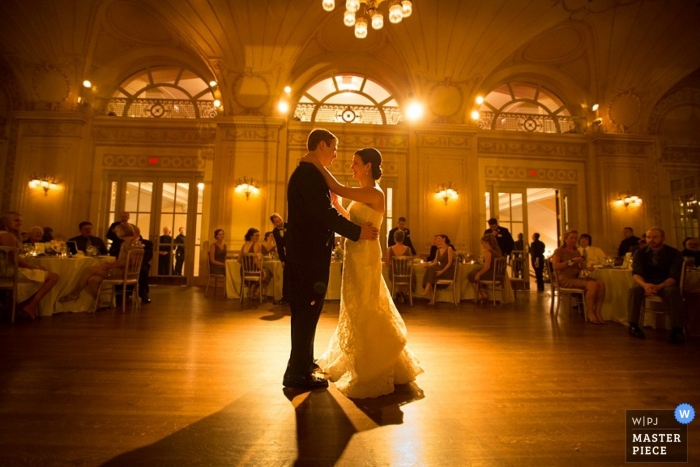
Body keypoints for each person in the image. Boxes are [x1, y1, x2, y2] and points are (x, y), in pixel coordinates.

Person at [305, 144, 423, 398]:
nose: (351, 167)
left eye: (355, 163)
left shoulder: (375, 193)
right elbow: (351, 221)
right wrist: (337, 206)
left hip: (366, 256)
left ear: (368, 166)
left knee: (366, 304)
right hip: (355, 252)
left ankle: (372, 362)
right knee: (354, 303)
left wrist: (317, 165)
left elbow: (336, 187)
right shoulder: (363, 193)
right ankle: (353, 357)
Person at [282, 128, 378, 391]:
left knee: (307, 311)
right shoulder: (309, 174)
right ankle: (296, 373)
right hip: (308, 255)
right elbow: (325, 216)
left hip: (306, 253)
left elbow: (326, 208)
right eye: (334, 148)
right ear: (322, 145)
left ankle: (302, 363)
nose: (336, 155)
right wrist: (358, 232)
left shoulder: (310, 172)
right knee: (305, 312)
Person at [58, 224, 143, 304]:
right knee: (93, 279)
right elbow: (123, 260)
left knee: (88, 270)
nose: (116, 233)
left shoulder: (133, 244)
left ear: (121, 232)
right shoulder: (125, 243)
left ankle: (74, 294)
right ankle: (98, 303)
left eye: (117, 231)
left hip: (125, 273)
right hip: (122, 271)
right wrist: (110, 265)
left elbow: (130, 263)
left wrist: (111, 265)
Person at [627, 227, 685, 344]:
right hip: (646, 282)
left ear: (663, 238)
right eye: (648, 237)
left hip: (666, 283)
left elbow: (674, 276)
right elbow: (636, 273)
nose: (651, 240)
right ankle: (633, 325)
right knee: (634, 290)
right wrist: (645, 285)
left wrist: (659, 286)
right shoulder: (640, 253)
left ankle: (677, 329)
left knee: (672, 292)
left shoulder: (674, 253)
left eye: (655, 237)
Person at [0, 212, 59, 320]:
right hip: (7, 271)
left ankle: (21, 306)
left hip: (7, 269)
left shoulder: (6, 234)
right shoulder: (6, 236)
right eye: (16, 220)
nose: (20, 223)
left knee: (44, 273)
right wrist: (35, 267)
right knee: (53, 276)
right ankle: (30, 306)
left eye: (21, 221)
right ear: (6, 222)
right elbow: (14, 260)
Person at [552, 230, 606, 324]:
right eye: (571, 238)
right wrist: (570, 262)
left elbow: (581, 266)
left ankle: (598, 312)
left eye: (576, 238)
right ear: (565, 239)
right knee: (592, 285)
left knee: (601, 283)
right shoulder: (559, 251)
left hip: (576, 277)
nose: (574, 240)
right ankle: (590, 312)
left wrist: (588, 268)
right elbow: (555, 266)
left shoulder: (576, 251)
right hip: (565, 278)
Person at [421, 234, 455, 305]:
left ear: (444, 239)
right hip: (439, 269)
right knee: (430, 269)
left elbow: (449, 263)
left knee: (431, 271)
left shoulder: (449, 249)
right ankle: (431, 294)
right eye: (437, 239)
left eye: (439, 239)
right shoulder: (438, 250)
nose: (437, 240)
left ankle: (427, 289)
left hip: (447, 271)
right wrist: (428, 265)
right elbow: (435, 262)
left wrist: (441, 271)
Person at [468, 234, 503, 302]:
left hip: (491, 275)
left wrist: (479, 274)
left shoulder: (488, 252)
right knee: (474, 274)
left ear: (487, 243)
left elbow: (487, 266)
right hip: (498, 275)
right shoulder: (497, 251)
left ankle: (480, 295)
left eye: (483, 243)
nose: (482, 245)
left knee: (471, 275)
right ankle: (483, 294)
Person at [237, 228, 269, 300]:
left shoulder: (244, 245)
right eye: (256, 236)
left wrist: (246, 265)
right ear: (251, 236)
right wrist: (262, 269)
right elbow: (255, 261)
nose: (258, 237)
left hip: (244, 271)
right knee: (267, 272)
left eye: (259, 235)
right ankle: (256, 291)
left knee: (265, 271)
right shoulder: (257, 245)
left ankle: (253, 290)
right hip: (254, 271)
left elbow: (238, 260)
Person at [385, 229, 414, 303]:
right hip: (406, 275)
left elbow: (387, 264)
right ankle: (402, 293)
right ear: (403, 238)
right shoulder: (408, 249)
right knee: (412, 275)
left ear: (394, 238)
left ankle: (399, 293)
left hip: (394, 275)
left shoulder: (389, 249)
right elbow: (411, 263)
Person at [270, 213, 290, 306]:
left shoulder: (290, 225)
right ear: (274, 223)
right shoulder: (275, 232)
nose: (280, 222)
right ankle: (285, 298)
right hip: (287, 256)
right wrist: (282, 260)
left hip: (296, 254)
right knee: (286, 277)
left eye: (280, 220)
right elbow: (279, 246)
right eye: (277, 222)